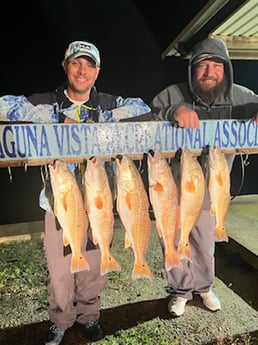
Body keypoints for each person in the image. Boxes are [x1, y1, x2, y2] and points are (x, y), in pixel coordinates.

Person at [0, 40, 151, 344]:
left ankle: (89, 316)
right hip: (61, 205)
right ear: (65, 66)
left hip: (99, 201)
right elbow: (3, 105)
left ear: (97, 71)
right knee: (59, 271)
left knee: (94, 268)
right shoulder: (47, 101)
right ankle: (60, 320)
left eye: (89, 65)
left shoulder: (108, 102)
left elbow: (142, 108)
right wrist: (57, 118)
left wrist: (96, 122)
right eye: (76, 63)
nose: (82, 71)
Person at [150, 37, 258, 317]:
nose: (209, 72)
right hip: (173, 185)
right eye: (202, 65)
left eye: (216, 65)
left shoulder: (244, 97)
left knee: (204, 240)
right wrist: (174, 111)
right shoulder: (172, 94)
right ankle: (180, 290)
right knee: (174, 237)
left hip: (213, 187)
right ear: (192, 70)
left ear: (226, 69)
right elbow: (148, 116)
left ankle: (204, 286)